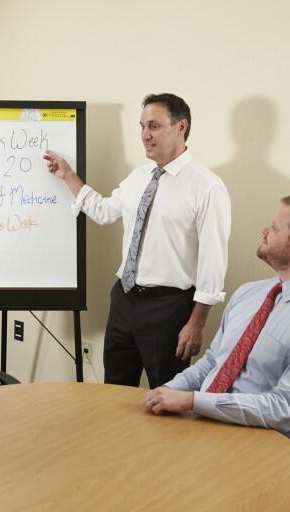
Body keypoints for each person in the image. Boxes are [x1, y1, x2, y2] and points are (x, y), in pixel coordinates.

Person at [44, 93, 231, 388]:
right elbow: (104, 211)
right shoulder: (138, 177)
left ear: (181, 127)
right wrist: (68, 176)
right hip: (124, 300)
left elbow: (214, 260)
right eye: (142, 126)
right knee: (115, 392)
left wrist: (196, 323)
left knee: (167, 396)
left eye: (154, 126)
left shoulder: (206, 187)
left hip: (169, 309)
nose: (145, 135)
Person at [143, 195, 290, 440]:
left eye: (275, 228)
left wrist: (193, 401)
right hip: (205, 424)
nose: (265, 230)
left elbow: (284, 410)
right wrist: (170, 389)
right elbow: (214, 361)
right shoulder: (249, 293)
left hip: (267, 443)